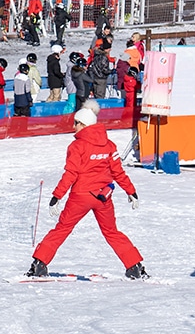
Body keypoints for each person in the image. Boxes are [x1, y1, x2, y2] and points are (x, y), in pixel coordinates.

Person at [28, 106, 145, 279]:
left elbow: (71, 173)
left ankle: (39, 264)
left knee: (62, 228)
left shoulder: (77, 146)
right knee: (112, 232)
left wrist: (56, 196)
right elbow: (117, 172)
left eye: (76, 123)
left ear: (83, 124)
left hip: (80, 196)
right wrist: (131, 191)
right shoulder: (109, 145)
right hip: (103, 197)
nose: (74, 127)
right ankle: (135, 266)